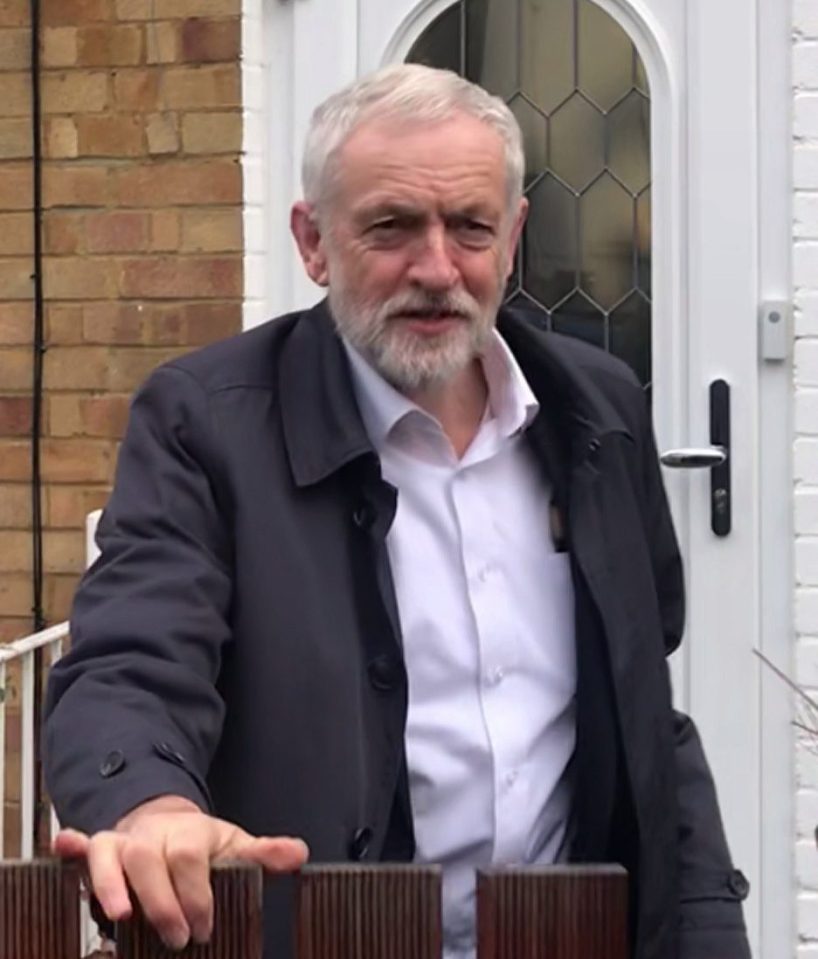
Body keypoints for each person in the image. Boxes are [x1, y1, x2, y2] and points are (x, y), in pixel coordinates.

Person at [43, 64, 751, 959]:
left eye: (470, 227)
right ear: (312, 241)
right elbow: (130, 661)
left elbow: (648, 711)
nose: (436, 267)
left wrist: (709, 929)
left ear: (514, 236)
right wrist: (151, 804)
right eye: (391, 227)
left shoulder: (597, 411)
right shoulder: (207, 424)